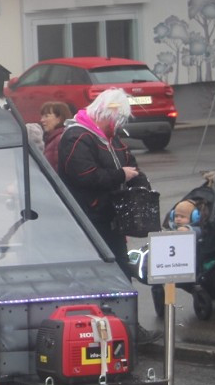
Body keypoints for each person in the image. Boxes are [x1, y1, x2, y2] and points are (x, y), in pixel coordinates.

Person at [57, 88, 160, 343]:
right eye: (117, 120)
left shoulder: (110, 138)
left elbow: (131, 166)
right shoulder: (77, 137)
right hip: (89, 219)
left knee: (121, 271)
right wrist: (120, 176)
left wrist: (141, 185)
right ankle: (100, 330)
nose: (118, 126)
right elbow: (82, 175)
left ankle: (128, 328)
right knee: (95, 276)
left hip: (110, 217)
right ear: (106, 114)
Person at [39, 101, 72, 171]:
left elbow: (58, 169)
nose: (42, 120)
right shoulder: (52, 139)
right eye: (42, 116)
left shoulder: (59, 139)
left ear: (59, 119)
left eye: (46, 116)